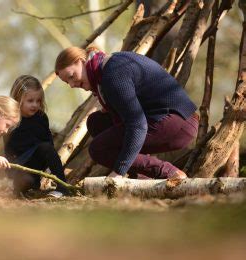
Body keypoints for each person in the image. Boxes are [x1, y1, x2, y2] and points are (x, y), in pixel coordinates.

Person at [54, 46, 199, 181]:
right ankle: (142, 180)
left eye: (72, 76)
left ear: (81, 61)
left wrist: (118, 171)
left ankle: (169, 173)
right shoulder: (105, 70)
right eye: (68, 82)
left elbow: (137, 124)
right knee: (96, 122)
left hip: (179, 124)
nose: (72, 85)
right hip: (166, 119)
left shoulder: (112, 73)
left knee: (98, 149)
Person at [4, 75, 68, 197]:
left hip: (38, 159)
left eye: (38, 101)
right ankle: (24, 188)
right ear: (18, 100)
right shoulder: (11, 120)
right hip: (20, 165)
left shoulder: (41, 117)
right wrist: (10, 171)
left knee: (46, 147)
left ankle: (63, 187)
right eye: (30, 101)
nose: (35, 105)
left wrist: (51, 163)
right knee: (26, 183)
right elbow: (8, 149)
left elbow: (48, 143)